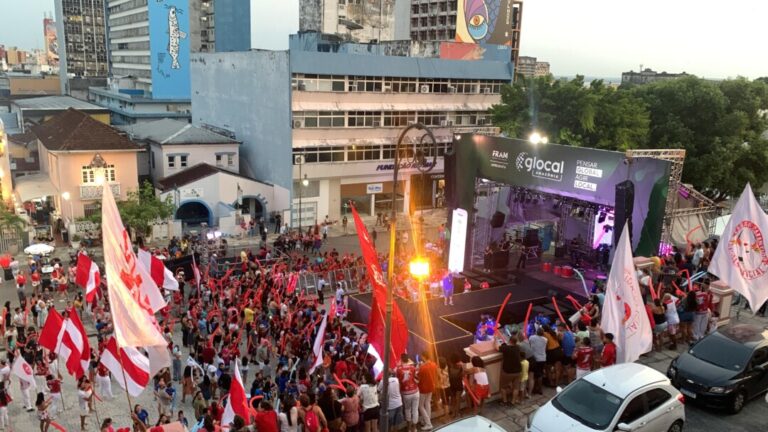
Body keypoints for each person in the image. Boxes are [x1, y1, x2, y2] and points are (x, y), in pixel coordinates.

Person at [495, 333, 521, 406]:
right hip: (518, 371)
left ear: (509, 341)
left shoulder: (506, 348)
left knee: (503, 387)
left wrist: (495, 339)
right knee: (516, 387)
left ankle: (504, 401)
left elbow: (496, 347)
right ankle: (513, 402)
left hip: (508, 372)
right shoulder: (518, 347)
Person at [396, 353, 419, 432]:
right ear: (408, 359)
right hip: (415, 391)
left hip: (406, 393)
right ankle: (415, 428)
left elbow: (398, 380)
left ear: (401, 359)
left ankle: (409, 429)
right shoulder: (413, 367)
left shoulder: (398, 369)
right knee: (415, 410)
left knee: (407, 409)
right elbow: (417, 378)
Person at [417, 351, 438, 431]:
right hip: (431, 387)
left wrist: (419, 368)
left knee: (421, 406)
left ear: (424, 357)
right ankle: (427, 420)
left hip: (423, 388)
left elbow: (418, 378)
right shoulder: (434, 364)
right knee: (427, 403)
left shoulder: (422, 367)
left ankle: (428, 423)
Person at [528, 327, 547, 395]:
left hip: (535, 358)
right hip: (543, 358)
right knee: (540, 374)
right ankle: (539, 388)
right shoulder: (545, 339)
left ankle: (536, 388)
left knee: (534, 375)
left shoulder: (532, 337)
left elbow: (529, 344)